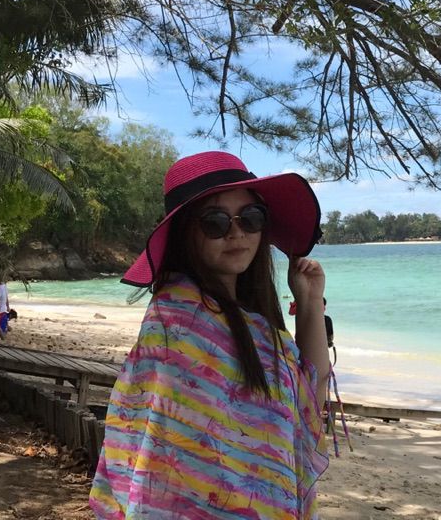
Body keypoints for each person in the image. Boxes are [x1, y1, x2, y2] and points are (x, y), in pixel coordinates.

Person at [90, 151, 331, 519]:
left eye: (251, 218)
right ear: (185, 232)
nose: (237, 232)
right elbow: (164, 451)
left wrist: (311, 303)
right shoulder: (175, 323)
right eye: (215, 222)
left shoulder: (258, 328)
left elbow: (310, 397)